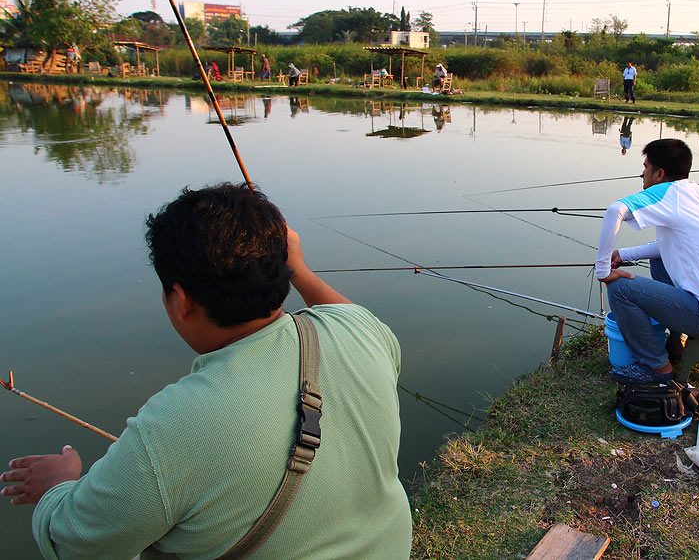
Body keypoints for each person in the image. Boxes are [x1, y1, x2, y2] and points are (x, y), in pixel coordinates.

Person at [1, 183, 412, 559]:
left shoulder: (171, 428)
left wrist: (58, 487)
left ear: (180, 300)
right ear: (285, 268)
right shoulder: (362, 332)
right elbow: (339, 311)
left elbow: (72, 545)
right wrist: (299, 271)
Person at [596, 139, 699, 385]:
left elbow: (615, 211)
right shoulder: (691, 191)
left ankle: (657, 368)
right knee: (659, 261)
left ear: (659, 173)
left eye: (646, 167)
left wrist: (603, 270)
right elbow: (667, 248)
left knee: (620, 288)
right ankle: (675, 342)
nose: (643, 173)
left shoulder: (667, 192)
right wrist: (623, 255)